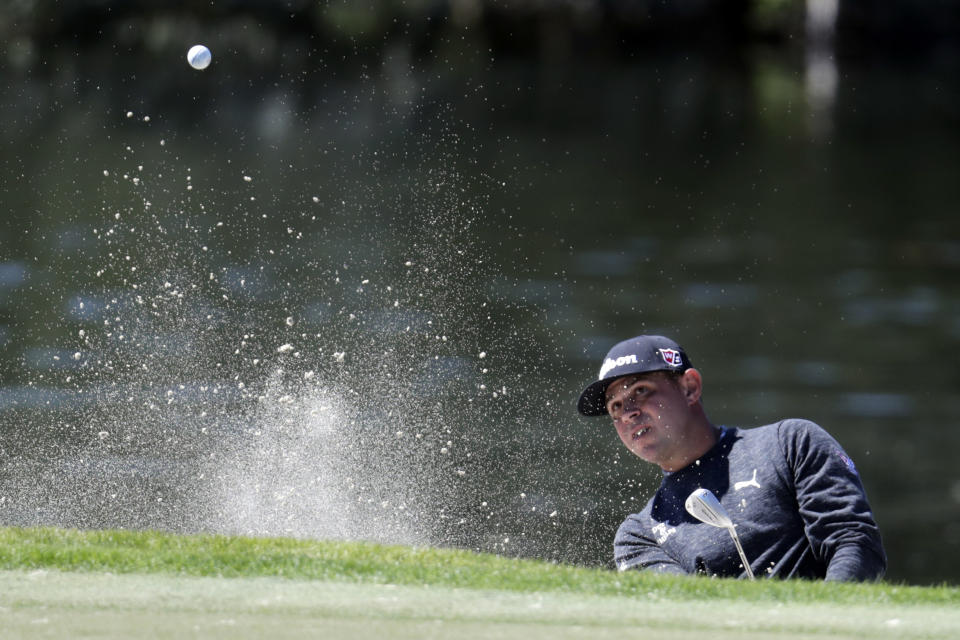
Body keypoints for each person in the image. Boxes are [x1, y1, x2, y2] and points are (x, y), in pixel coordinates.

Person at [577, 335, 886, 581]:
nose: (628, 412)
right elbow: (684, 616)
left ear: (690, 388)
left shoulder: (791, 443)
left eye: (641, 391)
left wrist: (825, 624)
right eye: (615, 406)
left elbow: (854, 544)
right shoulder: (638, 536)